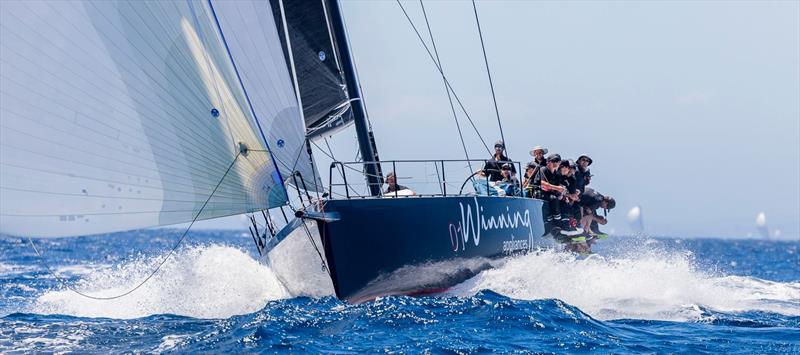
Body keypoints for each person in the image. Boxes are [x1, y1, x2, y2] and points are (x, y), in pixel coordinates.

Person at [533, 154, 581, 236]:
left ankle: (565, 225)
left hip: (550, 193)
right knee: (554, 199)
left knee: (564, 202)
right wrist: (557, 188)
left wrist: (566, 194)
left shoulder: (555, 173)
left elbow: (558, 187)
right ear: (548, 162)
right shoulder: (543, 169)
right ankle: (556, 223)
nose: (556, 163)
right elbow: (542, 183)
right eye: (553, 161)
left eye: (558, 161)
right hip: (539, 193)